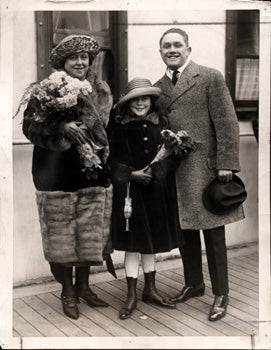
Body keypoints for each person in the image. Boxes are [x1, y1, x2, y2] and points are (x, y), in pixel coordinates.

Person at [154, 28, 245, 321]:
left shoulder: (209, 77)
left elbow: (227, 123)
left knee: (213, 234)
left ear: (188, 50)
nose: (172, 49)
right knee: (185, 232)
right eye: (166, 46)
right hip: (176, 172)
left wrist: (226, 163)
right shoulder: (157, 88)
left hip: (206, 170)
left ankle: (222, 292)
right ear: (161, 52)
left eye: (177, 45)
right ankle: (194, 284)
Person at [22, 35, 114, 320]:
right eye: (73, 58)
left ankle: (84, 286)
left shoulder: (100, 90)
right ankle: (67, 291)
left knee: (88, 234)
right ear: (63, 62)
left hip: (91, 171)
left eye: (84, 57)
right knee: (61, 238)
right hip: (56, 171)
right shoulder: (45, 91)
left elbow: (106, 129)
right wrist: (61, 127)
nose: (79, 62)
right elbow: (29, 128)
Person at [108, 77, 185, 319]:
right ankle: (131, 293)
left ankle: (150, 289)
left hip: (155, 192)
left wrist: (158, 171)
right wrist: (129, 174)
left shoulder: (161, 125)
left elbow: (173, 156)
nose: (140, 103)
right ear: (127, 104)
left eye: (145, 99)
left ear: (152, 101)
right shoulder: (118, 127)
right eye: (135, 100)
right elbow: (107, 159)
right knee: (133, 243)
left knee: (149, 242)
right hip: (130, 194)